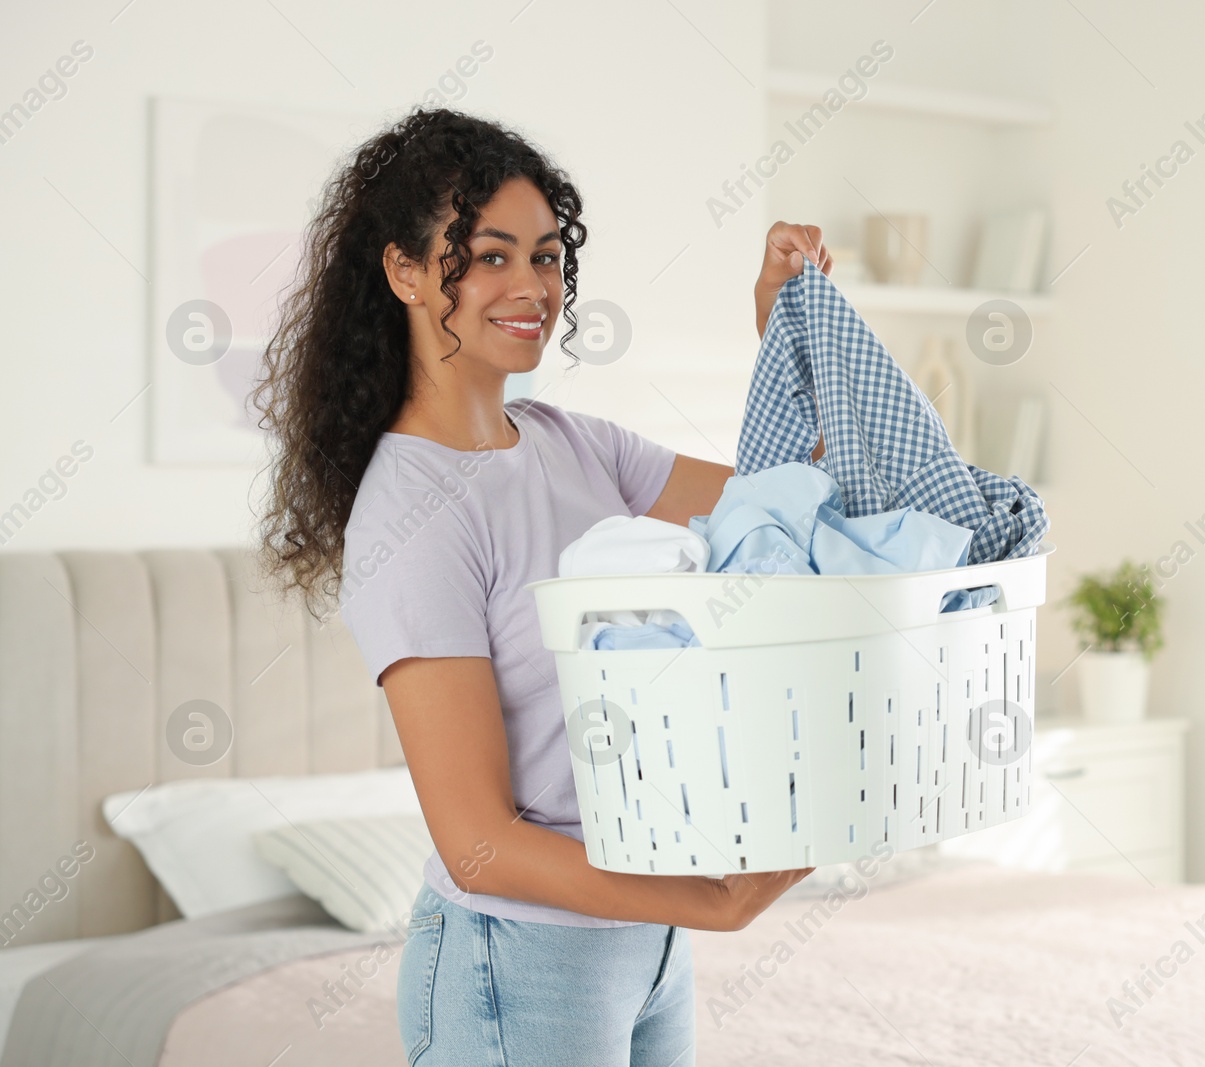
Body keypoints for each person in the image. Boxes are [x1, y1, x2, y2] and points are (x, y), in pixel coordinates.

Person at [252, 106, 831, 1066]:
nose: (531, 286)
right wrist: (713, 901)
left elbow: (791, 506)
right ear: (403, 270)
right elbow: (479, 841)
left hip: (645, 945)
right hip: (514, 958)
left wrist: (786, 324)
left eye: (548, 256)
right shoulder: (413, 517)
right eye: (488, 255)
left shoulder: (577, 445)